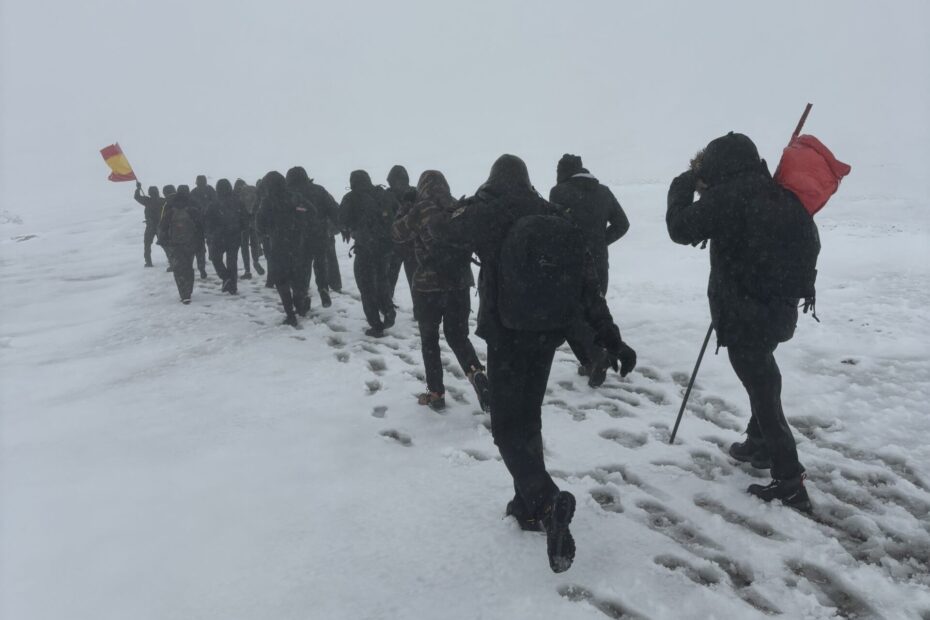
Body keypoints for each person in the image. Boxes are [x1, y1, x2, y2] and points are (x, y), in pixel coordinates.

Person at [431, 154, 637, 573]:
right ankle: (525, 505)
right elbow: (587, 285)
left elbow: (440, 239)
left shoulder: (487, 210)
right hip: (546, 334)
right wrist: (611, 339)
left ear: (493, 178)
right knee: (528, 417)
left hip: (506, 334)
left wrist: (463, 210)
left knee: (507, 427)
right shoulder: (549, 211)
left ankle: (546, 500)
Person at [666, 132, 812, 513]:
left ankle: (790, 480)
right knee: (762, 373)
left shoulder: (729, 195)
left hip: (745, 310)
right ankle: (759, 443)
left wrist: (682, 184)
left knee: (762, 384)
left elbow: (680, 229)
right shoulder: (774, 191)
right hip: (777, 309)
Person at [392, 170, 490, 412]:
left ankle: (435, 393)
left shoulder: (420, 208)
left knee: (430, 341)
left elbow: (397, 233)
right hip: (459, 283)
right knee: (458, 336)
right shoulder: (455, 205)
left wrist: (405, 206)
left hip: (428, 286)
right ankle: (476, 373)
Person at [550, 154, 631, 387]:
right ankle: (595, 359)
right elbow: (623, 224)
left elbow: (552, 227)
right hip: (598, 264)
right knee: (595, 312)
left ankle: (596, 357)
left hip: (568, 264)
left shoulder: (559, 192)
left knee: (570, 315)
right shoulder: (603, 192)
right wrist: (600, 242)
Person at [339, 170, 398, 336]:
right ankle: (388, 310)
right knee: (382, 281)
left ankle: (376, 325)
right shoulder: (384, 194)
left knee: (366, 287)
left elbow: (341, 219)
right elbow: (398, 212)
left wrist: (351, 228)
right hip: (386, 247)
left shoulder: (351, 198)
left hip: (365, 248)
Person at [257, 171, 312, 326]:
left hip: (278, 245)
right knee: (298, 277)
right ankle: (300, 302)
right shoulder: (296, 197)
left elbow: (259, 224)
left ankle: (290, 314)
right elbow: (311, 212)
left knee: (282, 281)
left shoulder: (267, 201)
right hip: (298, 244)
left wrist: (266, 233)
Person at [285, 166, 335, 307]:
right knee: (320, 263)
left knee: (302, 267)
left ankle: (303, 297)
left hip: (298, 237)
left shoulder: (289, 193)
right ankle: (323, 288)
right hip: (320, 234)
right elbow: (333, 209)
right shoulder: (319, 190)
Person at [158, 185, 204, 304]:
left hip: (175, 244)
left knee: (178, 269)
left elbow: (162, 227)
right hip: (190, 243)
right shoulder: (192, 209)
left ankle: (183, 293)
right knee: (188, 267)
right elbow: (200, 227)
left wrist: (164, 241)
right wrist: (199, 242)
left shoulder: (170, 210)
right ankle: (189, 289)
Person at [205, 178, 246, 294]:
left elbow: (207, 221)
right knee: (232, 261)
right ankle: (232, 286)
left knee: (215, 258)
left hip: (218, 237)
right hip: (235, 236)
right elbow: (244, 219)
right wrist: (240, 230)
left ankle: (226, 277)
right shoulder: (238, 202)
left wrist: (209, 234)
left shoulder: (214, 203)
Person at [386, 165, 417, 300]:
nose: (397, 185)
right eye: (393, 182)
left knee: (415, 282)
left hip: (412, 246)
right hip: (394, 246)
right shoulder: (386, 196)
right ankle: (387, 308)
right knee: (389, 281)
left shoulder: (416, 193)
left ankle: (420, 311)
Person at [234, 178, 265, 280]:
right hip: (254, 221)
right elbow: (259, 202)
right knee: (254, 243)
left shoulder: (239, 194)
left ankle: (247, 271)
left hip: (244, 223)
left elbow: (238, 209)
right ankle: (256, 261)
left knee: (244, 247)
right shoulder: (253, 190)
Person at [134, 182, 167, 268]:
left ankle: (148, 262)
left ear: (149, 193)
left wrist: (138, 189)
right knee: (165, 244)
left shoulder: (147, 201)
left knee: (147, 244)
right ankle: (171, 261)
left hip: (151, 226)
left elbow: (136, 197)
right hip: (160, 225)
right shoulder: (163, 201)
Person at [190, 175, 216, 279]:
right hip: (206, 220)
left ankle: (202, 267)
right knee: (208, 241)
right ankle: (205, 262)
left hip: (200, 222)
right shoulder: (209, 190)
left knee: (201, 244)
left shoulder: (195, 192)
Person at [159, 185, 177, 272]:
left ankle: (173, 263)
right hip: (187, 229)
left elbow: (164, 219)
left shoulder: (166, 203)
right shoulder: (183, 199)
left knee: (167, 246)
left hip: (172, 230)